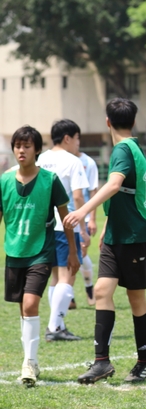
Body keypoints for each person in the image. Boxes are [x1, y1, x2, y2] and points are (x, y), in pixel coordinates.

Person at [64, 98, 146, 384]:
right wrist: (107, 225)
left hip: (136, 236)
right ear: (134, 121)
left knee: (135, 296)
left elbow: (115, 184)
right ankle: (101, 362)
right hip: (118, 233)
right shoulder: (133, 146)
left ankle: (143, 362)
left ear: (107, 122)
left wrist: (82, 211)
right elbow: (126, 192)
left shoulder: (123, 149)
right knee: (102, 291)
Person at [1, 126, 79, 387]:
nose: (21, 150)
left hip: (41, 252)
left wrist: (72, 252)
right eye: (17, 146)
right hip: (14, 252)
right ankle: (30, 360)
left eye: (27, 146)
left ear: (37, 150)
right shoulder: (4, 181)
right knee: (23, 309)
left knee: (30, 304)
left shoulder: (50, 180)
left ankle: (29, 362)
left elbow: (66, 218)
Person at [37, 119, 89, 341]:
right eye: (77, 139)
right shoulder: (73, 161)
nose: (78, 144)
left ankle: (58, 324)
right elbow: (78, 197)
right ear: (67, 138)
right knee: (68, 276)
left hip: (44, 226)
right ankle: (55, 327)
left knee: (56, 278)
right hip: (65, 225)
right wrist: (83, 229)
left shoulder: (41, 159)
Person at [77, 149, 99, 306]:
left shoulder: (88, 162)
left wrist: (92, 219)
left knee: (81, 253)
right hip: (60, 217)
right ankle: (69, 296)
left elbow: (93, 191)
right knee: (66, 258)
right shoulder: (56, 159)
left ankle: (89, 286)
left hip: (82, 217)